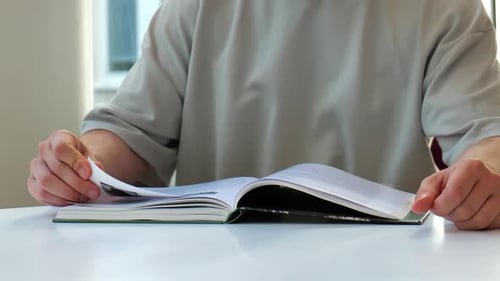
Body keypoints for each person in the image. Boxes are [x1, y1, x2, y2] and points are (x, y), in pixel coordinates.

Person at [28, 0, 500, 230]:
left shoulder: (445, 8)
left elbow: (485, 137)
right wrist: (78, 167)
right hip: (210, 260)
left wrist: (487, 179)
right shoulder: (196, 5)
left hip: (384, 257)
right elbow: (130, 134)